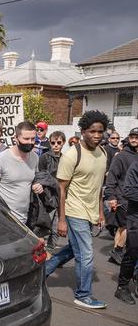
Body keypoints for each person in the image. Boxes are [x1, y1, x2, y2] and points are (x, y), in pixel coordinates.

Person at [43, 110, 109, 309]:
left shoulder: (103, 152)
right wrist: (62, 219)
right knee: (87, 253)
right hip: (74, 210)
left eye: (100, 131)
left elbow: (98, 186)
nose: (96, 135)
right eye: (92, 131)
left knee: (75, 249)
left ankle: (41, 272)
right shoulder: (72, 155)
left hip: (90, 211)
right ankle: (83, 294)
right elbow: (61, 189)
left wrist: (100, 212)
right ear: (82, 131)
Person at [0, 121, 42, 223]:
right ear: (16, 138)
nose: (30, 142)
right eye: (26, 139)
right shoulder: (0, 160)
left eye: (33, 139)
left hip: (25, 219)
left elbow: (34, 180)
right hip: (3, 220)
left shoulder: (35, 158)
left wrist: (38, 185)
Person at [104, 128, 138, 268]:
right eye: (132, 136)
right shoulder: (122, 156)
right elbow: (112, 176)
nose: (134, 139)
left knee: (121, 227)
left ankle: (116, 252)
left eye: (137, 137)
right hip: (122, 197)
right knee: (127, 227)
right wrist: (111, 196)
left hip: (132, 198)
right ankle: (118, 250)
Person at [115, 159, 138, 305]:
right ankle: (122, 287)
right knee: (133, 252)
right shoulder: (136, 165)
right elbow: (128, 191)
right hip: (136, 217)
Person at [39, 130, 66, 251]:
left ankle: (50, 252)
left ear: (63, 143)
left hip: (61, 197)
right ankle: (42, 252)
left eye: (59, 142)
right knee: (44, 227)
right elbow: (41, 176)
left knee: (56, 229)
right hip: (47, 198)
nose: (56, 145)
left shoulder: (66, 159)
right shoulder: (44, 157)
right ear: (49, 143)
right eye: (53, 142)